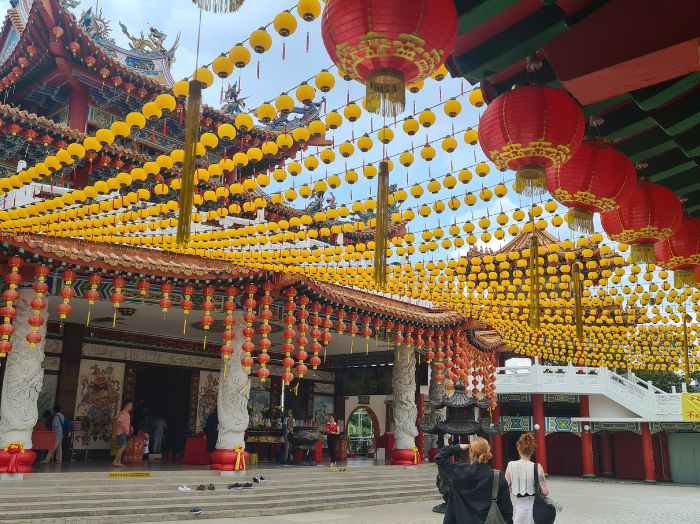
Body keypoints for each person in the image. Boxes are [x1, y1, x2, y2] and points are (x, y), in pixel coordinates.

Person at [434, 438, 513, 524]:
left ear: (472, 453)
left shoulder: (459, 471)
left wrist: (457, 447)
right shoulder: (497, 477)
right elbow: (507, 509)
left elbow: (439, 457)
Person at [505, 433, 549, 524]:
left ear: (518, 448)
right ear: (532, 450)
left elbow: (505, 489)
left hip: (520, 507)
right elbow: (545, 492)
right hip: (535, 509)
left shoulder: (511, 465)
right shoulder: (537, 467)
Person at [113, 400, 133, 467]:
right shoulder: (123, 413)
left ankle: (119, 462)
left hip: (123, 433)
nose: (131, 407)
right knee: (123, 447)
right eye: (130, 405)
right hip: (121, 432)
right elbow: (118, 422)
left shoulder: (127, 413)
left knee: (121, 447)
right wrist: (124, 429)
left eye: (132, 405)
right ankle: (115, 461)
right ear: (126, 405)